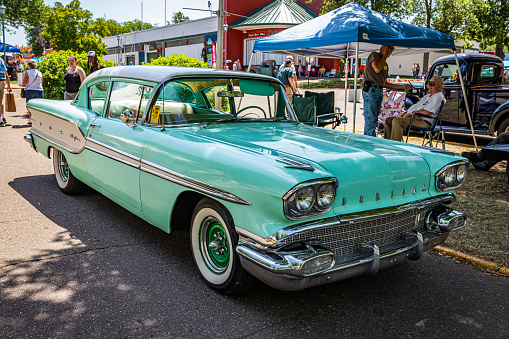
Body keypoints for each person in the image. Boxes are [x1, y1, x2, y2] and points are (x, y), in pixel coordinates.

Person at [362, 45, 412, 136]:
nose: (391, 51)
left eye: (392, 49)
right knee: (370, 119)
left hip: (379, 90)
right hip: (371, 90)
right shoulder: (374, 55)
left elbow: (385, 83)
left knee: (373, 119)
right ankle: (369, 142)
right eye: (389, 48)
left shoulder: (385, 64)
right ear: (382, 48)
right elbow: (376, 69)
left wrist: (402, 87)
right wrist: (384, 55)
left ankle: (369, 140)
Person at [384, 76, 445, 141]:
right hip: (416, 118)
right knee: (388, 120)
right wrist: (406, 113)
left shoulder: (438, 96)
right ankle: (387, 143)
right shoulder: (427, 96)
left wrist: (412, 113)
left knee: (397, 121)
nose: (429, 86)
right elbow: (416, 106)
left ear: (439, 86)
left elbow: (427, 112)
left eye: (432, 84)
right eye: (429, 83)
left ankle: (395, 146)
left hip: (425, 122)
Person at [23, 59, 44, 125]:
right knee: (39, 106)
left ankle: (32, 120)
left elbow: (25, 82)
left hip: (30, 90)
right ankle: (39, 120)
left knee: (30, 106)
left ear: (29, 66)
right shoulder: (39, 73)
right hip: (39, 90)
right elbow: (41, 82)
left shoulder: (28, 72)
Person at [0, 56, 12, 127]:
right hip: (2, 81)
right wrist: (8, 85)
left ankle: (0, 120)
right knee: (0, 101)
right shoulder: (1, 60)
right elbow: (6, 73)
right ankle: (3, 117)